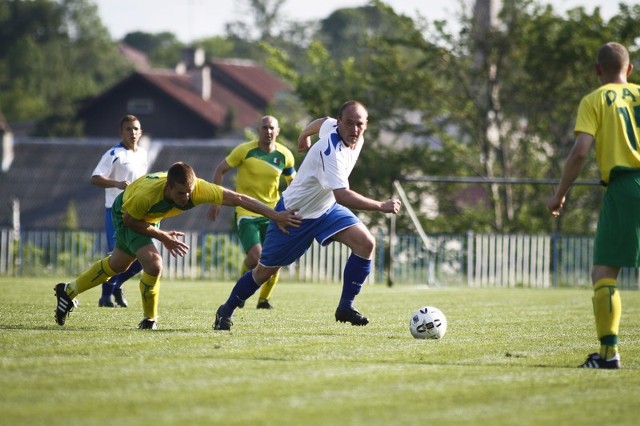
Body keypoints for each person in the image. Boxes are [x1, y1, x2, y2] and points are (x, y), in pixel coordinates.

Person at [213, 101, 402, 331]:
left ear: (366, 125)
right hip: (294, 215)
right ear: (340, 122)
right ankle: (226, 310)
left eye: (359, 124)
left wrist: (303, 136)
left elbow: (322, 121)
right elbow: (342, 195)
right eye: (349, 123)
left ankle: (345, 306)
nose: (354, 129)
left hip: (326, 210)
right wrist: (381, 205)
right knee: (264, 271)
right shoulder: (329, 150)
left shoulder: (339, 129)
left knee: (366, 244)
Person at [54, 162, 302, 330]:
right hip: (127, 212)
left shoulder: (198, 190)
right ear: (168, 187)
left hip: (148, 216)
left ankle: (69, 290)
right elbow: (132, 221)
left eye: (189, 192)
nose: (187, 198)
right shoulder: (146, 196)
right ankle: (150, 319)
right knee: (154, 263)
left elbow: (239, 198)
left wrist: (275, 215)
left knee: (117, 264)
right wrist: (162, 236)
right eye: (181, 193)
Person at [546, 41, 640, 369]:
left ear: (598, 70)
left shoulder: (595, 99)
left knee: (604, 272)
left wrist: (559, 193)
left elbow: (581, 151)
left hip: (626, 186)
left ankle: (609, 354)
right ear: (629, 69)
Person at [207, 116, 296, 309]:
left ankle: (263, 300)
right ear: (258, 130)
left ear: (278, 131)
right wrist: (216, 201)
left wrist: (295, 208)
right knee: (260, 258)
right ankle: (241, 291)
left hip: (273, 214)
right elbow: (220, 170)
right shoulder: (244, 150)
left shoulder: (285, 155)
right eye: (264, 127)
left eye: (272, 128)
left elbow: (293, 184)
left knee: (274, 259)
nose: (268, 131)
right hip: (246, 213)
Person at [90, 114, 148, 308]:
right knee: (116, 256)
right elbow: (95, 178)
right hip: (115, 213)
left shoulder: (143, 154)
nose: (132, 132)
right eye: (128, 129)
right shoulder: (113, 154)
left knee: (142, 259)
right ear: (120, 132)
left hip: (137, 213)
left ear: (140, 132)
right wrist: (116, 183)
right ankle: (105, 298)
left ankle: (116, 286)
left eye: (135, 129)